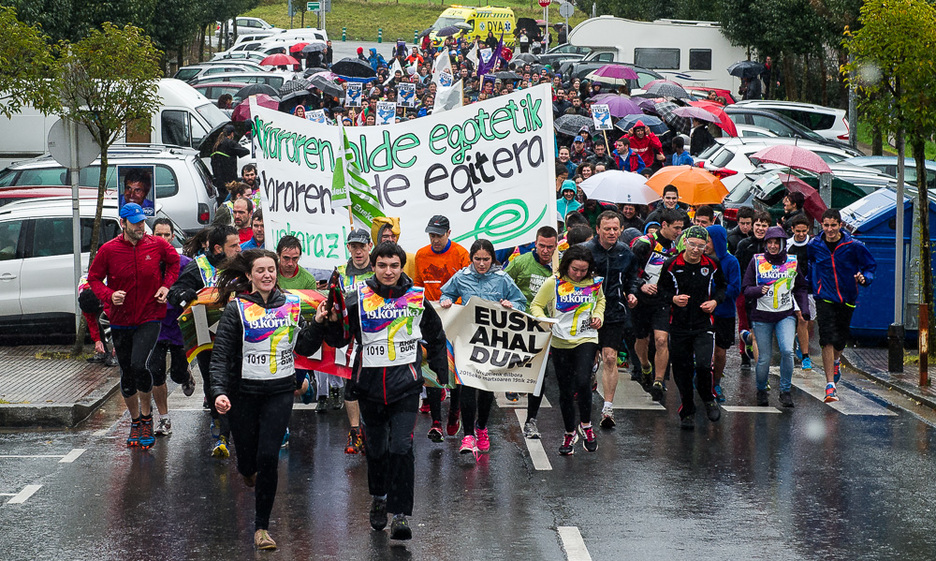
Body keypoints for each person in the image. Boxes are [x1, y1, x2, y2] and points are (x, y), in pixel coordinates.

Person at [318, 242, 448, 540]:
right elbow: (339, 339)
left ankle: (400, 514)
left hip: (406, 387)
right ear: (373, 267)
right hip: (370, 388)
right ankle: (378, 496)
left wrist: (441, 371)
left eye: (394, 265)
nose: (388, 271)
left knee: (401, 447)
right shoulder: (358, 299)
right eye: (382, 265)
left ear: (402, 267)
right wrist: (332, 320)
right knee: (376, 449)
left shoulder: (416, 297)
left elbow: (435, 334)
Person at [210, 249, 328, 551]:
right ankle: (247, 471)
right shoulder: (236, 309)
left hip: (278, 392)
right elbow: (221, 356)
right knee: (248, 463)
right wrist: (219, 392)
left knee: (268, 457)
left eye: (271, 270)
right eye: (260, 270)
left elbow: (303, 346)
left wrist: (316, 322)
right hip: (243, 394)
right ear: (249, 275)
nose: (267, 275)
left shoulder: (290, 305)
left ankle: (261, 528)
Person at [87, 203, 180, 449]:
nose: (141, 226)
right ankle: (135, 421)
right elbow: (93, 279)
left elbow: (174, 264)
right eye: (135, 223)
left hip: (150, 316)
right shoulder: (109, 250)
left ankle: (147, 418)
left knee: (140, 364)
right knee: (127, 373)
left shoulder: (157, 245)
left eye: (142, 222)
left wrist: (165, 286)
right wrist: (108, 295)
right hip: (121, 320)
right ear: (123, 223)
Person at [440, 239, 526, 457]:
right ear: (471, 259)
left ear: (492, 259)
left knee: (487, 388)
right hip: (468, 339)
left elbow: (520, 302)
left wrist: (511, 305)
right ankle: (468, 435)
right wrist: (446, 301)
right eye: (477, 259)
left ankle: (481, 427)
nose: (481, 264)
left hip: (492, 341)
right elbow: (446, 293)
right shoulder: (461, 276)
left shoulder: (502, 279)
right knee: (468, 384)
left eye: (486, 259)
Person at [168, 225, 242, 457]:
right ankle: (218, 424)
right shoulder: (198, 267)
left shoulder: (243, 265)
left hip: (238, 336)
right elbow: (175, 292)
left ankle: (235, 426)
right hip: (207, 337)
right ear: (218, 248)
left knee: (237, 380)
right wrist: (183, 295)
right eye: (234, 246)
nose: (240, 249)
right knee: (213, 381)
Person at [529, 245, 605, 454]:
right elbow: (536, 305)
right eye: (575, 270)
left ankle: (587, 426)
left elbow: (600, 302)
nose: (579, 274)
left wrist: (599, 316)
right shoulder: (553, 282)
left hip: (586, 338)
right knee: (565, 391)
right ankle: (569, 432)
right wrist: (546, 321)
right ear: (566, 266)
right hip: (560, 341)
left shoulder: (594, 283)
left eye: (583, 270)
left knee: (583, 381)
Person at [657, 226, 726, 430]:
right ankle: (687, 409)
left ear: (706, 246)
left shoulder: (712, 264)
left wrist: (714, 302)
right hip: (678, 325)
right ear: (685, 242)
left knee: (704, 364)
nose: (696, 250)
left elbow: (723, 287)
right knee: (682, 370)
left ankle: (707, 397)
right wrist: (673, 299)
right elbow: (661, 289)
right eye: (692, 245)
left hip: (703, 323)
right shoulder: (671, 264)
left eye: (701, 246)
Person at [807, 209, 875, 402]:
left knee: (840, 339)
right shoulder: (815, 244)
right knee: (827, 338)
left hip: (847, 297)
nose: (829, 229)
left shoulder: (854, 246)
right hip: (824, 296)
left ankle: (837, 361)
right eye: (826, 225)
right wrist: (812, 284)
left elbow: (869, 267)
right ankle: (830, 386)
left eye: (833, 225)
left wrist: (864, 279)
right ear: (822, 225)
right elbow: (811, 264)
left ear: (840, 225)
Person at [582, 211, 640, 427]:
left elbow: (632, 278)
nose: (612, 233)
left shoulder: (626, 253)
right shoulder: (586, 252)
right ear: (597, 230)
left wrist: (632, 292)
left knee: (610, 357)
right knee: (589, 361)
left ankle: (608, 408)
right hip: (587, 313)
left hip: (614, 312)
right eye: (607, 229)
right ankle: (590, 378)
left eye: (616, 229)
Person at [743, 226, 810, 407]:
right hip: (761, 316)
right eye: (770, 243)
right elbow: (746, 289)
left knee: (787, 351)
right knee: (764, 357)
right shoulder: (756, 261)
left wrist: (804, 309)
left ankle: (785, 391)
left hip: (785, 315)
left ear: (782, 244)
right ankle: (761, 389)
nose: (773, 246)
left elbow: (801, 287)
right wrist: (758, 290)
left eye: (776, 243)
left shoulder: (792, 262)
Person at [505, 226, 559, 438]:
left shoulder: (559, 266)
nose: (545, 250)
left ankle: (531, 420)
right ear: (535, 244)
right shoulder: (521, 262)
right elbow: (503, 283)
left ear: (556, 246)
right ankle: (513, 383)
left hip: (546, 328)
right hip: (520, 325)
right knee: (520, 369)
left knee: (540, 376)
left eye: (550, 247)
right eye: (542, 246)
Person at [147, 218, 196, 438]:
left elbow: (199, 291)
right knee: (156, 372)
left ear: (173, 236)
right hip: (155, 325)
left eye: (167, 235)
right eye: (159, 234)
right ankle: (164, 419)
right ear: (152, 236)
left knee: (175, 374)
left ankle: (185, 374)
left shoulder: (185, 263)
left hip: (178, 325)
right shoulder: (145, 261)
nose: (164, 239)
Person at [631, 209, 685, 400]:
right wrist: (641, 286)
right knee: (642, 339)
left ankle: (659, 381)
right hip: (641, 299)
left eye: (681, 228)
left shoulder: (677, 247)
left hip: (662, 300)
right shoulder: (644, 244)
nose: (679, 232)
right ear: (664, 225)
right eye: (676, 228)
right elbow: (630, 271)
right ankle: (645, 366)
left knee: (662, 340)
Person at [333, 229, 374, 450]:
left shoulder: (379, 269)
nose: (358, 251)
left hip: (375, 335)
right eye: (353, 246)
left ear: (369, 246)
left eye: (362, 246)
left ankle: (373, 429)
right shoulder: (339, 272)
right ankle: (355, 431)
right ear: (348, 247)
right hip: (351, 339)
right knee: (351, 384)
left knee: (372, 385)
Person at [705, 225, 741, 403]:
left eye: (708, 239)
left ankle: (716, 382)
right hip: (703, 312)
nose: (705, 243)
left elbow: (735, 287)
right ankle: (702, 378)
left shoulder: (731, 261)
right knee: (702, 350)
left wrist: (717, 297)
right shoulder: (701, 259)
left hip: (723, 312)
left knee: (720, 352)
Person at [736, 210, 772, 366]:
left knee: (762, 326)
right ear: (752, 226)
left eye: (764, 225)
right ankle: (744, 353)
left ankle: (753, 343)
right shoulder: (744, 244)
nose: (760, 228)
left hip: (766, 291)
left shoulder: (772, 244)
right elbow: (737, 267)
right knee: (745, 323)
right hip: (745, 290)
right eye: (757, 225)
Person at [786, 214, 814, 370]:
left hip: (811, 288)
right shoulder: (788, 245)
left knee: (809, 322)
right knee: (801, 318)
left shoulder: (813, 244)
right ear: (792, 230)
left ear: (808, 229)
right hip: (795, 288)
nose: (801, 234)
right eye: (798, 231)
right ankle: (805, 356)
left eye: (804, 231)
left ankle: (800, 341)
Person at [210, 124, 249, 195]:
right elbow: (244, 151)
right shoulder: (230, 143)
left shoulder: (216, 145)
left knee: (222, 198)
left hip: (219, 180)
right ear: (232, 134)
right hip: (229, 179)